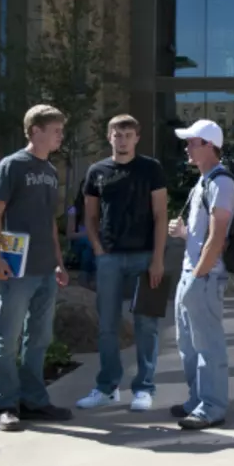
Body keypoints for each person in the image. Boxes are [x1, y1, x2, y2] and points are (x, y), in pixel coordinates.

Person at [0, 104, 73, 432]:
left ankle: (35, 400)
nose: (60, 136)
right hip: (14, 265)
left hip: (45, 268)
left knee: (39, 337)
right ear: (35, 131)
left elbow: (50, 222)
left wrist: (59, 263)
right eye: (56, 130)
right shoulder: (11, 166)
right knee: (7, 336)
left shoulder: (50, 171)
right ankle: (6, 405)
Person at [75, 115, 168, 413]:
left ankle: (143, 388)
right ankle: (107, 387)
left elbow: (160, 216)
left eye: (128, 134)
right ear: (109, 137)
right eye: (118, 134)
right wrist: (98, 247)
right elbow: (89, 215)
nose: (123, 139)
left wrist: (157, 259)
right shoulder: (96, 171)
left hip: (144, 255)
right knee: (107, 325)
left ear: (137, 137)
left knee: (147, 325)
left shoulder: (151, 168)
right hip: (110, 258)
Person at [167, 119, 234, 430]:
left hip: (204, 277)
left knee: (207, 344)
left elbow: (218, 236)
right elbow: (203, 236)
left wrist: (198, 275)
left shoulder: (221, 183)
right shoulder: (205, 182)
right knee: (188, 343)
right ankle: (198, 399)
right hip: (195, 273)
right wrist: (184, 234)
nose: (187, 147)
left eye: (193, 142)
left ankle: (211, 406)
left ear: (209, 146)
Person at [66, 178, 96, 288]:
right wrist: (88, 234)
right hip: (78, 243)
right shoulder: (73, 209)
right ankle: (89, 276)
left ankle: (85, 277)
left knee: (88, 250)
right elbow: (70, 234)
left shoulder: (99, 208)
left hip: (93, 245)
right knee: (89, 243)